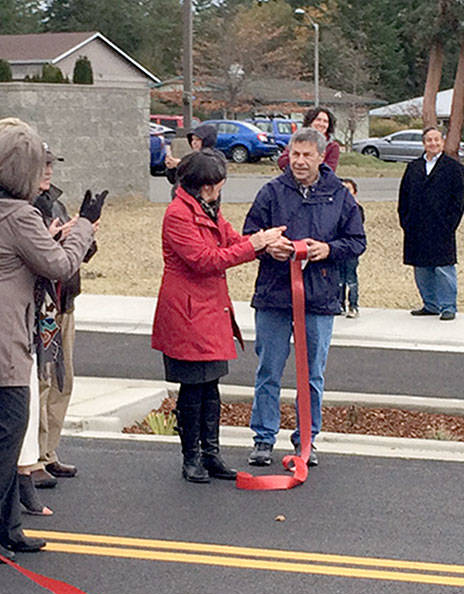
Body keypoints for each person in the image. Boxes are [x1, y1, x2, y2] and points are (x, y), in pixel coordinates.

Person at [0, 118, 99, 564]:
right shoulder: (19, 215)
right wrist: (83, 229)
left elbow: (20, 253)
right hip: (3, 339)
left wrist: (50, 237)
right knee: (6, 437)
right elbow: (57, 264)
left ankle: (8, 526)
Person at [152, 151, 286, 482]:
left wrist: (264, 244)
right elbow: (205, 260)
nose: (218, 192)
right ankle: (191, 457)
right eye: (214, 186)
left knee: (211, 386)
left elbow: (231, 241)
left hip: (210, 310)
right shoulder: (178, 215)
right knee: (192, 388)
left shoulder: (208, 209)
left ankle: (211, 453)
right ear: (199, 186)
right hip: (186, 312)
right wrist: (254, 244)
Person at [244, 128, 366, 468]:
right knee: (269, 369)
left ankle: (307, 440)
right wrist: (269, 246)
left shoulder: (340, 196)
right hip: (273, 296)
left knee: (312, 374)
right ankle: (263, 439)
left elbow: (357, 241)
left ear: (320, 157)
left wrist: (327, 249)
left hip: (320, 298)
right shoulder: (271, 192)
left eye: (306, 155)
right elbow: (247, 236)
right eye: (294, 155)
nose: (299, 161)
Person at [18, 144, 96, 505]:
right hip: (41, 305)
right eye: (43, 165)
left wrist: (85, 231)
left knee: (63, 380)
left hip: (64, 301)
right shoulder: (24, 208)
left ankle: (49, 452)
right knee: (43, 382)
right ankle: (32, 459)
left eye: (51, 164)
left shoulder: (56, 202)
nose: (48, 171)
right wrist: (58, 238)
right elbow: (40, 255)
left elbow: (77, 254)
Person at [398, 126, 464, 321]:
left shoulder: (453, 168)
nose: (433, 144)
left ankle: (448, 306)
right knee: (421, 268)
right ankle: (430, 304)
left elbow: (459, 200)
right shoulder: (413, 167)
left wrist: (449, 224)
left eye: (437, 140)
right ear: (424, 143)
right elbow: (403, 197)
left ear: (442, 142)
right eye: (429, 140)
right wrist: (406, 221)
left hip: (441, 227)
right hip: (416, 228)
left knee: (443, 268)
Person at [277, 106, 341, 173]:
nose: (321, 124)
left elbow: (329, 170)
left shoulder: (332, 146)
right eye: (318, 120)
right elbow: (282, 161)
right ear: (310, 122)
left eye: (325, 121)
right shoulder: (298, 140)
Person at [341, 177, 363, 318]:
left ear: (354, 192)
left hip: (351, 249)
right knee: (338, 280)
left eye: (348, 190)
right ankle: (339, 304)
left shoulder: (356, 209)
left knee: (351, 280)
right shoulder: (335, 208)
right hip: (338, 248)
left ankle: (353, 306)